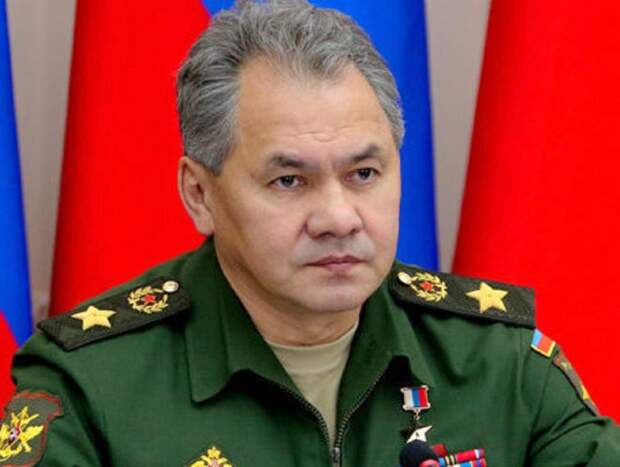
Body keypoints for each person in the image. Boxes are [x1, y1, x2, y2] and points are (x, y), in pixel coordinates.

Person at [2, 1, 618, 465]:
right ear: (200, 194)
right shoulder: (92, 387)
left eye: (364, 174)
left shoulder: (498, 361)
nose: (339, 217)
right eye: (289, 181)